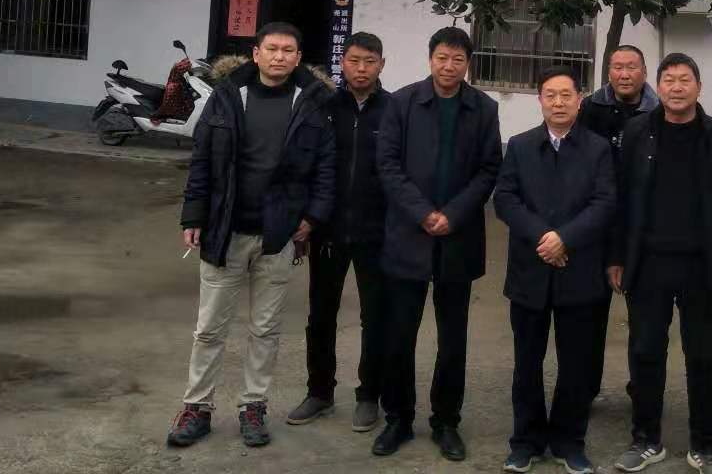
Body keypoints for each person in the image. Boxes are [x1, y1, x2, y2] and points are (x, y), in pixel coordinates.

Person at [166, 23, 336, 450]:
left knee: (265, 329)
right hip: (225, 231)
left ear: (298, 58)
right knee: (209, 328)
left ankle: (253, 406)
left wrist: (312, 217)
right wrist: (193, 214)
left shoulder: (312, 102)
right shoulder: (227, 96)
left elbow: (325, 167)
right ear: (256, 54)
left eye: (288, 50)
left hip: (277, 235)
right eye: (272, 49)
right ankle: (197, 408)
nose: (279, 56)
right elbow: (202, 158)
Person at [608, 53, 712, 474]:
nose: (676, 87)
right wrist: (616, 257)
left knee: (703, 356)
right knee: (645, 352)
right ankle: (645, 440)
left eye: (684, 80)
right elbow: (622, 200)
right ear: (659, 85)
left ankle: (704, 445)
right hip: (648, 264)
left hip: (703, 268)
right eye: (668, 79)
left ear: (698, 87)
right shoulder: (637, 133)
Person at [372, 26, 502, 462]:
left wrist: (454, 214)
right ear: (430, 59)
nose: (449, 66)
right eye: (442, 58)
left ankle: (446, 421)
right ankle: (398, 418)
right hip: (408, 235)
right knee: (399, 334)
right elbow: (388, 165)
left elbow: (489, 169)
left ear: (468, 64)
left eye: (458, 60)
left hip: (458, 239)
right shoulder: (402, 103)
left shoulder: (483, 108)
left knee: (453, 339)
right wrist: (422, 212)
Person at [495, 66, 616, 474]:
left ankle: (569, 442)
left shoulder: (598, 149)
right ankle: (525, 442)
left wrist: (566, 238)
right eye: (551, 95)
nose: (559, 102)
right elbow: (506, 199)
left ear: (580, 99)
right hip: (530, 271)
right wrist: (544, 238)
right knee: (526, 363)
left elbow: (605, 202)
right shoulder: (521, 145)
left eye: (567, 95)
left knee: (576, 365)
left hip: (579, 271)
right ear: (540, 100)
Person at [287, 32, 393, 434]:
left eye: (369, 61)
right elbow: (307, 166)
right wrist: (306, 221)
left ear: (381, 64)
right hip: (328, 229)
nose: (361, 69)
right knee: (321, 314)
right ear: (342, 63)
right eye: (353, 61)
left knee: (376, 317)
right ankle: (319, 391)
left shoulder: (395, 110)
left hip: (376, 232)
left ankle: (369, 396)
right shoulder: (323, 107)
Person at [578, 44, 660, 400]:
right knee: (589, 316)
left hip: (642, 226)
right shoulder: (590, 108)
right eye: (617, 67)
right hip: (595, 224)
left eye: (632, 67)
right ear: (608, 71)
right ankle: (585, 388)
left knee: (643, 319)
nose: (624, 74)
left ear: (644, 72)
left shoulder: (658, 112)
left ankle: (641, 388)